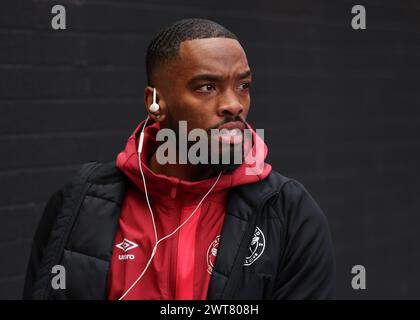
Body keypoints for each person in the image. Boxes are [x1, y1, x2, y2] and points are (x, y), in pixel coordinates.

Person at [23, 18, 335, 300]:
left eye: (243, 86)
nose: (233, 104)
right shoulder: (80, 203)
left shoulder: (288, 212)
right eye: (207, 87)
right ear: (155, 102)